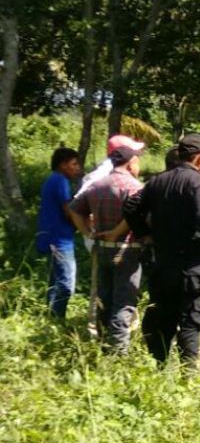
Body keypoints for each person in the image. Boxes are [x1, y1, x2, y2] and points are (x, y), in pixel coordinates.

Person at [123, 134, 200, 365]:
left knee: (164, 317)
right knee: (191, 320)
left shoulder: (157, 181)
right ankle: (188, 374)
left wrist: (145, 234)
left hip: (163, 263)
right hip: (192, 266)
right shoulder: (199, 182)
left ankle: (159, 368)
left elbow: (130, 206)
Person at [68, 146, 144, 354]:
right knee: (124, 300)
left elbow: (74, 209)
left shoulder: (97, 185)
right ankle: (118, 351)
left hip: (102, 249)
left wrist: (87, 232)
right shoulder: (134, 187)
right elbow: (137, 216)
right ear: (130, 163)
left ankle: (102, 343)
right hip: (127, 250)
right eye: (137, 161)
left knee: (104, 296)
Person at [36, 147, 81, 319]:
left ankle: (49, 316)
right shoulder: (60, 181)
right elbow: (68, 210)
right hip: (59, 238)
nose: (77, 168)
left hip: (51, 235)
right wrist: (84, 225)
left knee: (55, 280)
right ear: (63, 165)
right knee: (66, 282)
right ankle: (57, 318)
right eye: (74, 164)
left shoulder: (52, 180)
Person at [77, 135, 146, 197]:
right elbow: (81, 195)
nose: (136, 157)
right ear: (125, 153)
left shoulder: (114, 169)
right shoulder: (105, 170)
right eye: (134, 153)